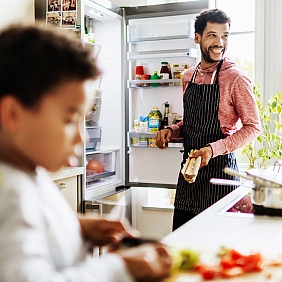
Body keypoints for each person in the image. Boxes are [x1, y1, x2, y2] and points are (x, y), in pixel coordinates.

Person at [0, 23, 172, 282]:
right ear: (13, 114)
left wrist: (77, 227)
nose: (82, 137)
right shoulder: (8, 191)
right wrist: (120, 267)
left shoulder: (28, 171)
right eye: (70, 120)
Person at [156, 9, 260, 231]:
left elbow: (253, 127)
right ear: (197, 38)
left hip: (220, 178)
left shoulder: (236, 78)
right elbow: (191, 122)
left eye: (225, 36)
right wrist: (172, 130)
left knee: (217, 249)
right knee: (181, 243)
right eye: (212, 35)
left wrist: (213, 150)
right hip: (189, 175)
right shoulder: (188, 76)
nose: (220, 42)